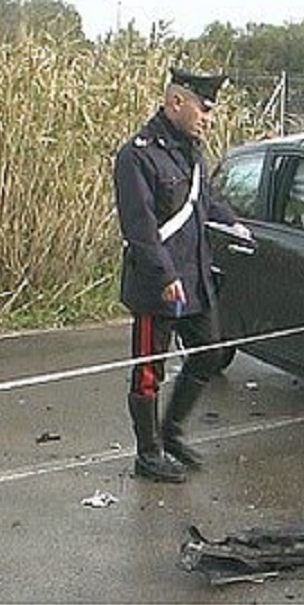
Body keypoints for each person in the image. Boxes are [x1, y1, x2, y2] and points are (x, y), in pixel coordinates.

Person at [113, 67, 253, 483]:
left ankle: (171, 433)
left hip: (195, 279)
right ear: (176, 103)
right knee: (149, 370)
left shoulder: (191, 151)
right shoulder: (136, 155)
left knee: (209, 352)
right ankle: (149, 454)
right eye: (202, 109)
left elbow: (204, 203)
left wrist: (236, 225)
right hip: (158, 284)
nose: (208, 118)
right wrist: (164, 275)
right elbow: (139, 228)